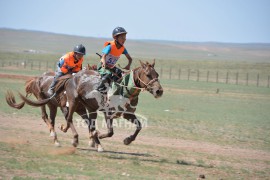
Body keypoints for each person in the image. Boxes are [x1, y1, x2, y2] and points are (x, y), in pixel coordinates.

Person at [96, 27, 133, 93]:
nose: (124, 39)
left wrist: (128, 65)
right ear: (115, 38)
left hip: (111, 67)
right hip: (102, 66)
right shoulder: (110, 46)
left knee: (121, 75)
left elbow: (130, 59)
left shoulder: (123, 49)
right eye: (122, 37)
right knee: (108, 75)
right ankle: (98, 89)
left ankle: (117, 91)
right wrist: (104, 63)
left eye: (125, 37)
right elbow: (103, 56)